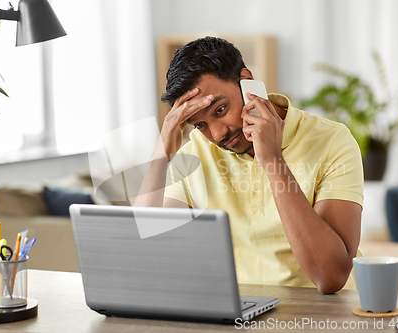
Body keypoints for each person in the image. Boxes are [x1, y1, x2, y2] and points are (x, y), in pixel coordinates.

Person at [135, 36, 363, 294]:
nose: (218, 133)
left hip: (319, 316)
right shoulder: (196, 152)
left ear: (247, 81)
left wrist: (273, 161)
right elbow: (146, 247)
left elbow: (330, 277)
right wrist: (161, 154)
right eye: (200, 124)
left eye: (220, 110)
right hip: (238, 314)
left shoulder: (331, 141)